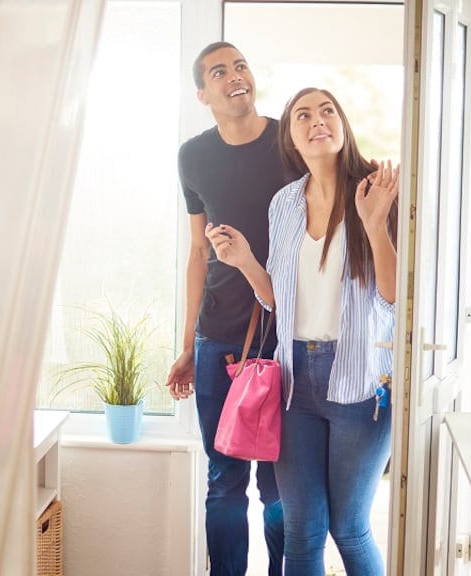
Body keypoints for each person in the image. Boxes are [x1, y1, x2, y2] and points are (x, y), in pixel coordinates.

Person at [206, 87, 399, 575]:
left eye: (327, 111)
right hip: (295, 384)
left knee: (349, 529)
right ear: (291, 138)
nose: (317, 121)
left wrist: (375, 224)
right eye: (303, 116)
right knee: (302, 531)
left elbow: (395, 298)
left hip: (361, 383)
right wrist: (244, 261)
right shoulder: (285, 204)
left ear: (342, 124)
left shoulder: (374, 192)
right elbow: (279, 300)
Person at [164, 42, 295, 576]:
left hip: (285, 337)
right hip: (217, 336)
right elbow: (198, 251)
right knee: (224, 481)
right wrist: (188, 344)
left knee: (281, 484)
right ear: (203, 94)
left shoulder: (289, 143)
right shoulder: (193, 157)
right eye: (219, 72)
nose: (235, 76)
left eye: (241, 65)